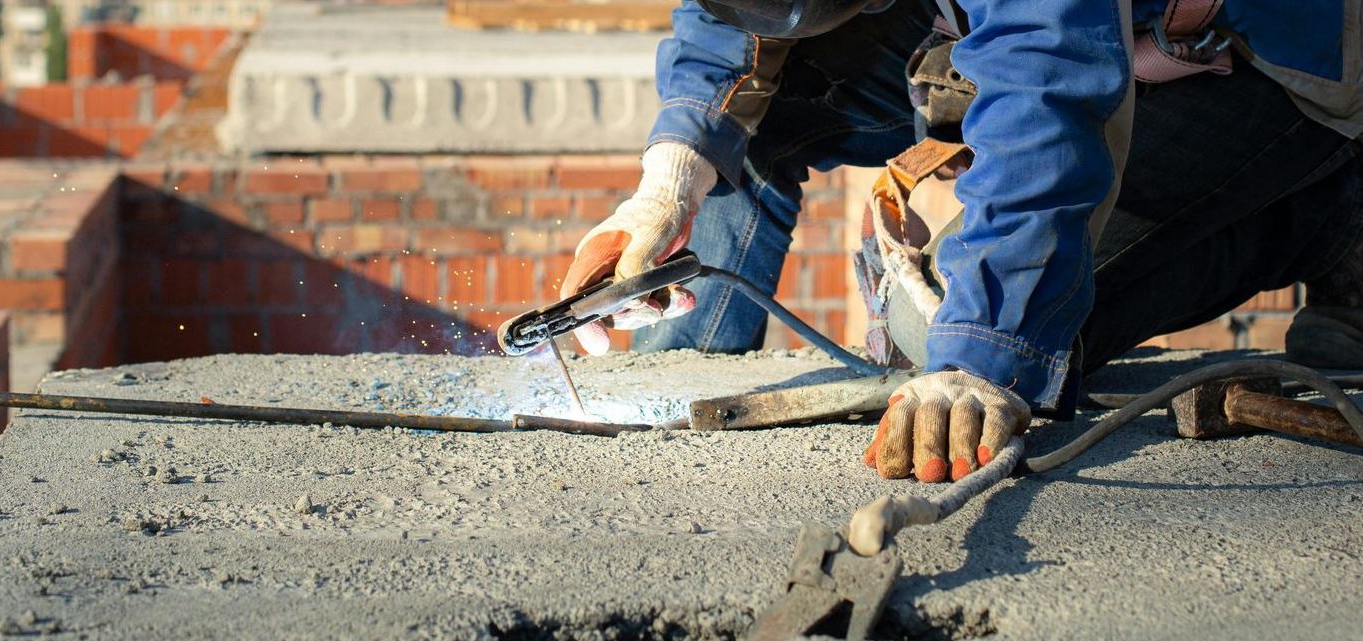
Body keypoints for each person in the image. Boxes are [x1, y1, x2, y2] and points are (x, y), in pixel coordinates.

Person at [558, 0, 1363, 484]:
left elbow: (1043, 91)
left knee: (951, 324)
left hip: (1267, 64)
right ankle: (675, 375)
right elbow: (728, 30)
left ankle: (1334, 220)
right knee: (757, 120)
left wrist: (981, 356)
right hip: (1088, 25)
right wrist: (668, 188)